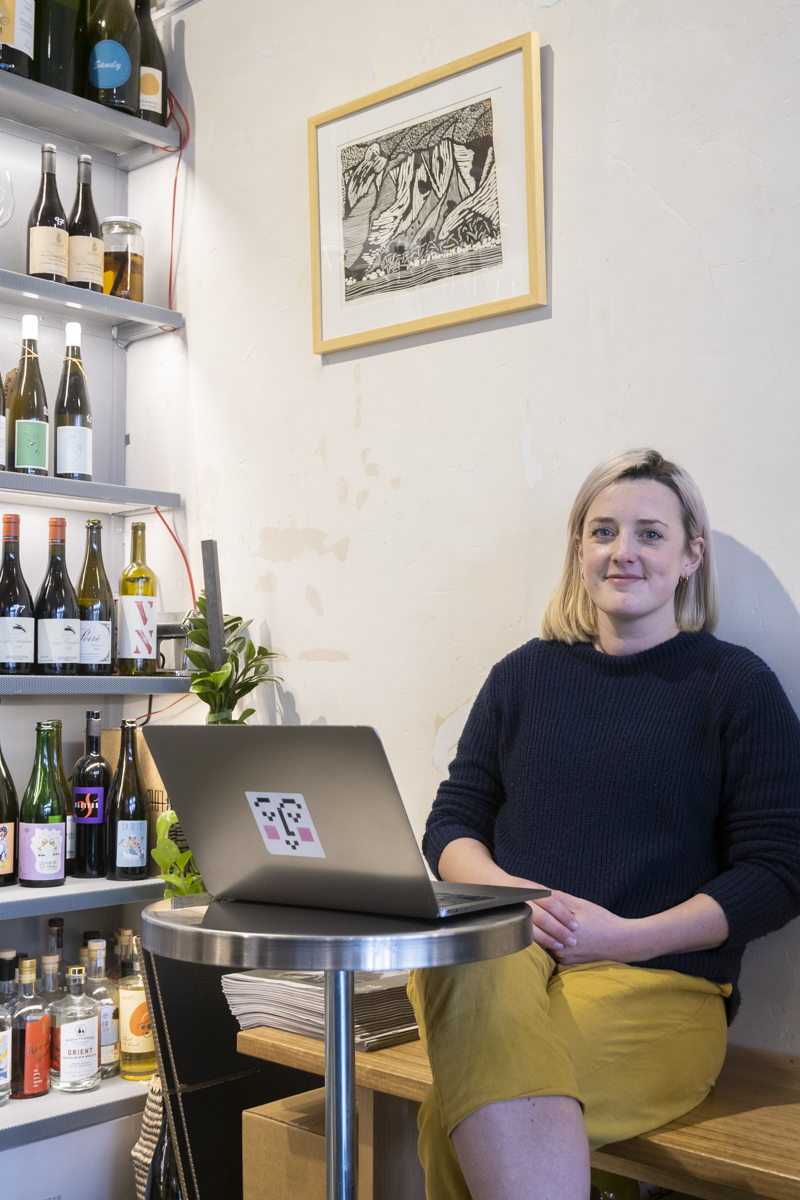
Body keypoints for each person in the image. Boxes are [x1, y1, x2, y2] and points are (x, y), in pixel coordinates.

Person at [408, 448, 800, 1200]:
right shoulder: (521, 676)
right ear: (579, 549)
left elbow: (779, 871)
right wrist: (512, 898)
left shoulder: (736, 688)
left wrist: (625, 936)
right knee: (466, 955)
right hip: (502, 958)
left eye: (650, 533)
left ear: (691, 556)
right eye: (603, 531)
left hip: (660, 983)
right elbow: (453, 822)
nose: (623, 551)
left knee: (456, 1124)